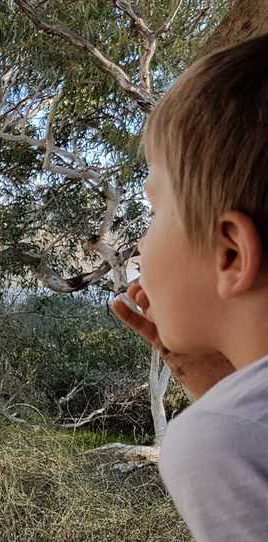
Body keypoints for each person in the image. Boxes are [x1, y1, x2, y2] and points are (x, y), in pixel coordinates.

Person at [110, 33, 268, 541]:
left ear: (231, 253)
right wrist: (220, 385)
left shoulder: (225, 442)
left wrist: (227, 412)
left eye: (154, 213)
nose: (138, 243)